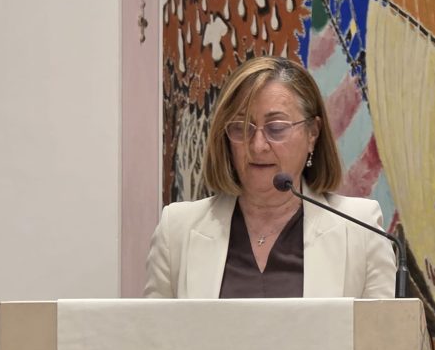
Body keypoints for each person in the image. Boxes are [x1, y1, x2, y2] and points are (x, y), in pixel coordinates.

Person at [144, 56, 397, 299]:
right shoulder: (177, 230)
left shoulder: (360, 228)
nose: (258, 146)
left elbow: (383, 330)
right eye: (241, 128)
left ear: (312, 133)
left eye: (276, 128)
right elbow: (153, 329)